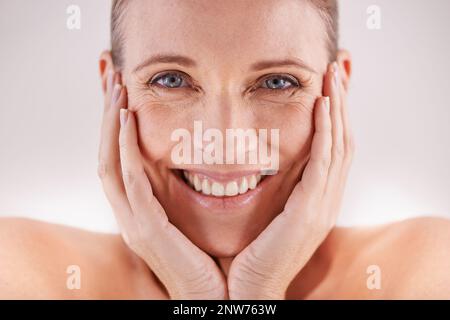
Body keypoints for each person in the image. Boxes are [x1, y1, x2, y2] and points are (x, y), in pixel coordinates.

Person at [1, 0, 449, 299]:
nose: (225, 137)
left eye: (277, 82)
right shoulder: (20, 271)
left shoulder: (424, 271)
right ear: (111, 88)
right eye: (171, 79)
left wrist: (258, 291)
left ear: (339, 88)